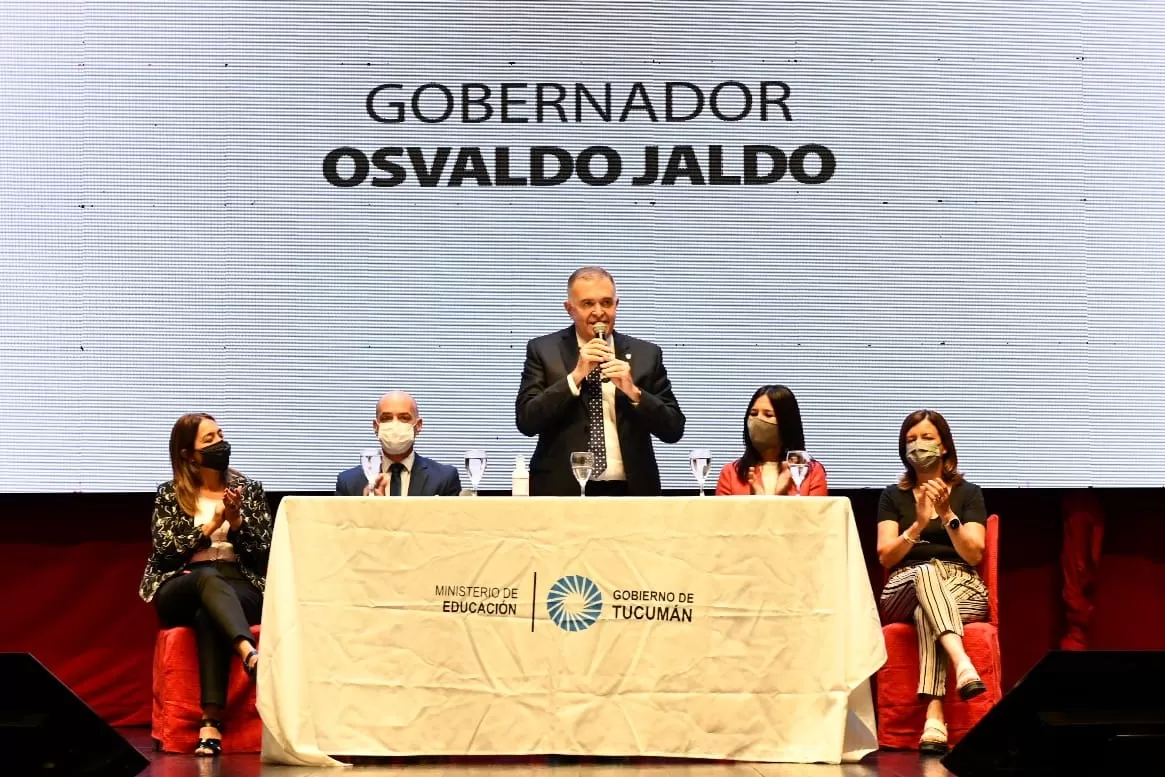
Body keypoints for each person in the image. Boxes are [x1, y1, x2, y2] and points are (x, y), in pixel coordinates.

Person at [138, 413, 271, 757]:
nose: (220, 444)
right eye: (208, 440)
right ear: (188, 455)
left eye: (220, 435)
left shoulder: (249, 490)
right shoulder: (170, 495)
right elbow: (166, 554)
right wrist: (211, 525)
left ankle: (210, 725)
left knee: (209, 613)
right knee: (206, 581)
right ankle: (249, 654)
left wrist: (238, 523)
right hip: (180, 583)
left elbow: (262, 555)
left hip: (240, 583)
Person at [876, 409, 989, 756]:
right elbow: (886, 556)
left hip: (960, 584)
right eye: (911, 440)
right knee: (924, 574)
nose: (918, 446)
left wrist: (946, 515)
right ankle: (962, 663)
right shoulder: (893, 496)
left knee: (930, 607)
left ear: (944, 447)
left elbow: (974, 554)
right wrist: (917, 525)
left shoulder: (968, 493)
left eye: (926, 438)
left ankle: (934, 715)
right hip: (903, 586)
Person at [515, 266, 685, 496]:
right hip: (562, 491)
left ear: (617, 304)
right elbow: (526, 420)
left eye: (606, 303)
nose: (599, 312)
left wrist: (634, 392)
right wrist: (575, 377)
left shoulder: (646, 354)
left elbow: (674, 429)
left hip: (631, 491)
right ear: (569, 309)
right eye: (587, 304)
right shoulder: (544, 351)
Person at [335, 391, 461, 496]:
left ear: (418, 426)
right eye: (386, 418)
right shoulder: (348, 482)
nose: (395, 424)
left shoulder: (444, 478)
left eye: (404, 418)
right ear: (376, 426)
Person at [714, 384, 828, 495]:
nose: (757, 420)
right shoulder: (731, 472)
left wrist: (778, 495)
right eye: (753, 414)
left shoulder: (812, 473)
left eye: (768, 415)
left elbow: (813, 514)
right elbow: (724, 514)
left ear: (787, 423)